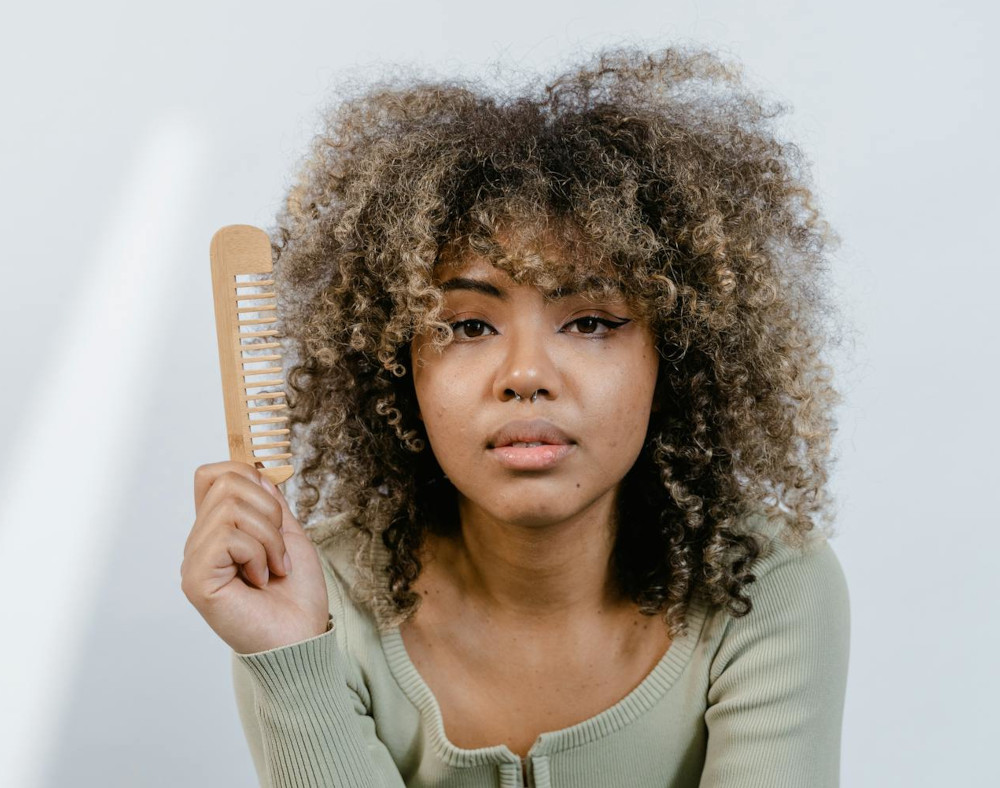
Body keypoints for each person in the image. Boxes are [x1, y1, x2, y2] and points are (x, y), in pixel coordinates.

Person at [181, 45, 851, 787]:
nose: (526, 376)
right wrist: (291, 660)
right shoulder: (312, 595)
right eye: (467, 326)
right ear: (397, 360)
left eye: (592, 321)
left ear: (680, 354)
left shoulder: (764, 584)